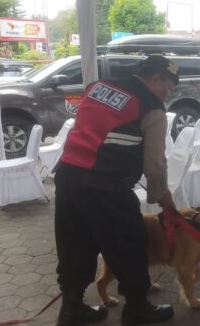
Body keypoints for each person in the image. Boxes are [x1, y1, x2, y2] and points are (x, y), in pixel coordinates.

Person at [54, 55, 179, 326]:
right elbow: (154, 164)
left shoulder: (97, 86)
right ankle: (137, 309)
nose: (167, 93)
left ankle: (72, 309)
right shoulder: (152, 107)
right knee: (130, 244)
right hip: (106, 187)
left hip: (67, 176)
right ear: (154, 78)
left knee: (74, 244)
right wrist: (164, 199)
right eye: (167, 85)